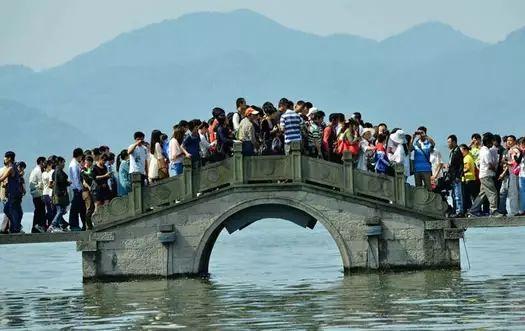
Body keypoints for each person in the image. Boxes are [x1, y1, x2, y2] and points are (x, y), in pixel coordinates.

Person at [468, 133, 504, 217]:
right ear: (489, 141)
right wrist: (495, 169)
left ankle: (473, 210)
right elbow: (490, 164)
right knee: (493, 192)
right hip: (487, 175)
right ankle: (494, 210)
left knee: (482, 194)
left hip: (483, 175)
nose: (493, 143)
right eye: (492, 141)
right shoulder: (486, 151)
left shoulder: (483, 150)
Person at [0, 151, 24, 233]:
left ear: (9, 158)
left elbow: (2, 178)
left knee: (10, 210)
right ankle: (16, 226)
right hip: (16, 193)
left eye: (5, 158)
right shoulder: (15, 167)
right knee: (12, 210)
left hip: (13, 194)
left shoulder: (10, 168)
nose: (4, 159)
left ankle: (16, 227)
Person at [48, 157, 70, 232]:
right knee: (60, 210)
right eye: (63, 162)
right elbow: (61, 182)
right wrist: (67, 183)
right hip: (59, 194)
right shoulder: (59, 171)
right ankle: (53, 225)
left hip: (56, 193)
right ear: (60, 162)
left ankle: (61, 225)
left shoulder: (55, 171)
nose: (64, 164)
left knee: (61, 210)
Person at [68, 148, 86, 231]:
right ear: (79, 155)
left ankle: (82, 224)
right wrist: (80, 188)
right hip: (76, 189)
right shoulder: (74, 165)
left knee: (80, 207)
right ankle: (73, 225)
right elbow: (76, 178)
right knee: (75, 208)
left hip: (76, 188)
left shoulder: (75, 163)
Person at [447, 135, 465, 218]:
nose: (448, 144)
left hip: (456, 176)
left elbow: (461, 165)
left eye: (449, 142)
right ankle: (456, 210)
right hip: (453, 176)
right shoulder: (453, 151)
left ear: (454, 142)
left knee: (457, 195)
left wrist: (458, 176)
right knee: (454, 195)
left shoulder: (457, 151)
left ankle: (459, 211)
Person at [29, 156, 47, 233]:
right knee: (40, 210)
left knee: (38, 210)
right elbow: (41, 183)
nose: (46, 164)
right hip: (38, 194)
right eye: (45, 162)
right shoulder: (38, 171)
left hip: (35, 193)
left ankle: (36, 227)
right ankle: (38, 226)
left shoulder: (35, 170)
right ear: (41, 162)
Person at [460, 145, 478, 211]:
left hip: (469, 179)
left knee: (468, 196)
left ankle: (472, 209)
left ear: (465, 150)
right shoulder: (469, 156)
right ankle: (472, 209)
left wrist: (460, 172)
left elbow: (466, 168)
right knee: (471, 196)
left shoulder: (467, 158)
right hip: (470, 179)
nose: (460, 152)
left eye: (461, 150)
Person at [42, 156, 56, 228]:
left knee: (49, 210)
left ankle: (47, 224)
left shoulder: (43, 173)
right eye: (51, 165)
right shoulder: (52, 172)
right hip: (50, 193)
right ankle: (50, 224)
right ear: (49, 165)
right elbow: (51, 183)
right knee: (52, 211)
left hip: (44, 193)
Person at [81, 156, 95, 230]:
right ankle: (88, 226)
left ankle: (89, 225)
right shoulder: (83, 170)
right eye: (87, 161)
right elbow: (84, 182)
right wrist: (89, 187)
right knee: (89, 208)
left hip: (90, 191)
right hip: (86, 191)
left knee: (91, 208)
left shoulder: (90, 170)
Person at [516, 137, 525, 216]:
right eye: (520, 143)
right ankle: (522, 210)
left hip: (523, 175)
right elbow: (518, 161)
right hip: (521, 175)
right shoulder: (521, 152)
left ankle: (522, 210)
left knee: (522, 193)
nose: (522, 145)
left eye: (522, 143)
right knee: (522, 193)